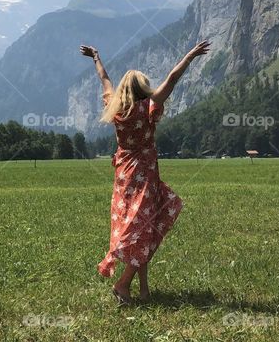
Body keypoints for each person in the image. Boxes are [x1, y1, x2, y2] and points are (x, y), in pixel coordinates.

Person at [80, 40, 211, 305]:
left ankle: (144, 291)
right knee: (143, 231)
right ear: (143, 88)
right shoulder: (148, 108)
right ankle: (122, 285)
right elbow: (172, 80)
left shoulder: (115, 108)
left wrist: (96, 56)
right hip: (145, 179)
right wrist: (190, 56)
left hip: (123, 179)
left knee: (141, 229)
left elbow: (104, 79)